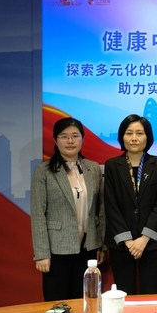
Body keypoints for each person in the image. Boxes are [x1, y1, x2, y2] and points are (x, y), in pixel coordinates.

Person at [31, 117, 105, 301]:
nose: (70, 141)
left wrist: (101, 245)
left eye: (75, 136)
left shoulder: (93, 169)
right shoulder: (44, 171)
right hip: (57, 250)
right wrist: (41, 254)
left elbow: (100, 210)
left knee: (85, 301)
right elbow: (38, 214)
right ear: (55, 140)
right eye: (64, 136)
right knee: (58, 304)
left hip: (88, 248)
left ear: (82, 138)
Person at [104, 114, 157, 295]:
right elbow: (111, 205)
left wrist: (144, 238)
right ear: (121, 136)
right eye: (129, 133)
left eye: (139, 133)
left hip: (151, 242)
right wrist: (128, 241)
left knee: (151, 293)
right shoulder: (112, 165)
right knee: (124, 294)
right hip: (122, 243)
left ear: (148, 137)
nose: (134, 138)